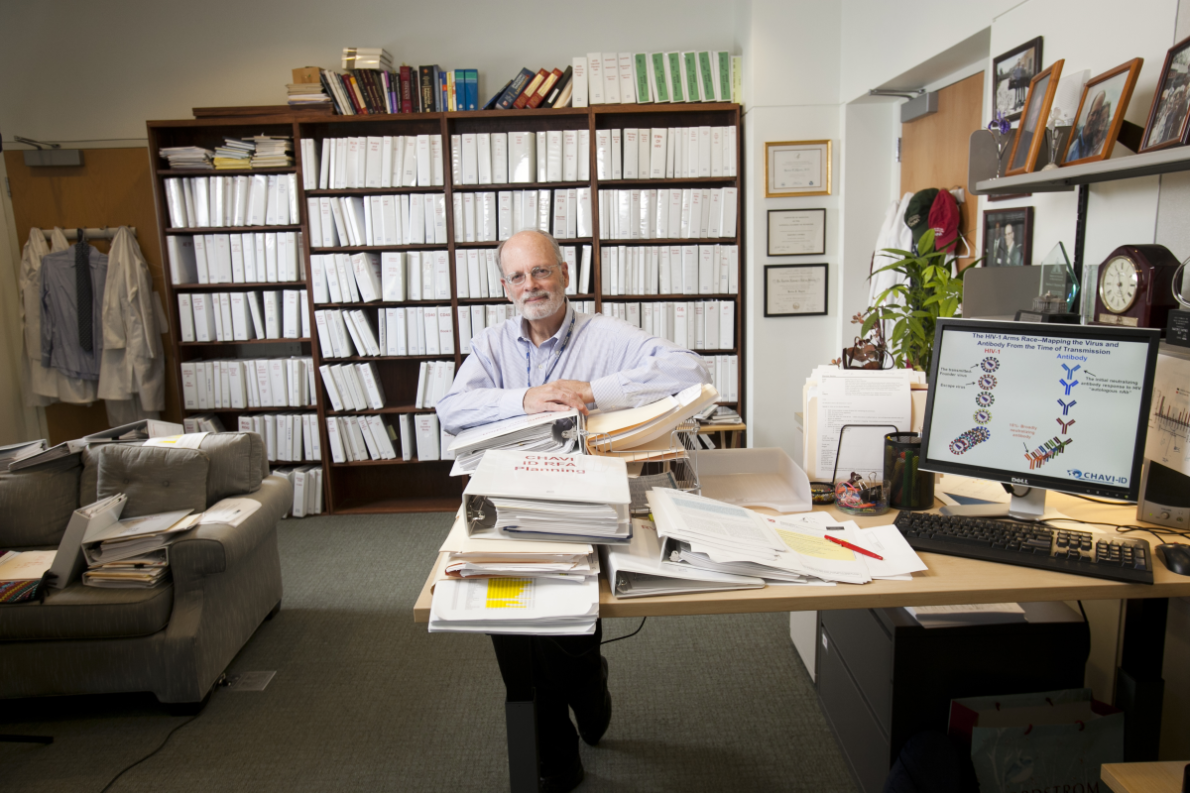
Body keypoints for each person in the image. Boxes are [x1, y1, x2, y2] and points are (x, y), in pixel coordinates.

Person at [436, 229, 710, 793]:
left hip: (589, 507)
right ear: (505, 286)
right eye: (518, 276)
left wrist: (594, 391)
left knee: (564, 639)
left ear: (565, 274)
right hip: (508, 507)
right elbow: (452, 408)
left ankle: (589, 680)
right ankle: (551, 762)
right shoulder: (492, 346)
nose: (531, 285)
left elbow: (690, 371)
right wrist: (522, 399)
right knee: (509, 634)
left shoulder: (606, 336)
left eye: (541, 272)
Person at [1065, 91, 1111, 162]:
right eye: (1093, 114)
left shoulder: (1105, 145)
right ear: (1088, 116)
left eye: (1104, 120)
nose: (1095, 118)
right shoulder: (1074, 147)